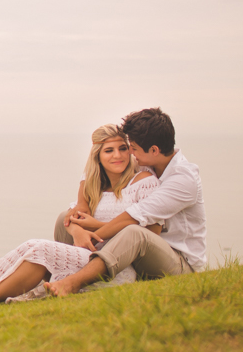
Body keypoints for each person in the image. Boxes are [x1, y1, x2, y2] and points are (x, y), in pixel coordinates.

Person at [0, 124, 163, 315]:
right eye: (109, 151)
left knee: (40, 249)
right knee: (28, 247)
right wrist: (77, 231)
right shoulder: (94, 186)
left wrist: (96, 228)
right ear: (98, 157)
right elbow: (72, 216)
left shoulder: (143, 182)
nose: (117, 155)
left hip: (116, 266)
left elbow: (148, 234)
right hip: (87, 255)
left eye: (123, 149)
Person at [45, 107, 206, 297]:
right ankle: (57, 277)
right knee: (65, 218)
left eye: (133, 148)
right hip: (144, 256)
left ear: (154, 150)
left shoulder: (183, 180)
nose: (129, 152)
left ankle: (73, 282)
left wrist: (88, 234)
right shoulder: (151, 161)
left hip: (179, 264)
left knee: (134, 233)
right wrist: (81, 204)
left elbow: (135, 217)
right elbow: (95, 168)